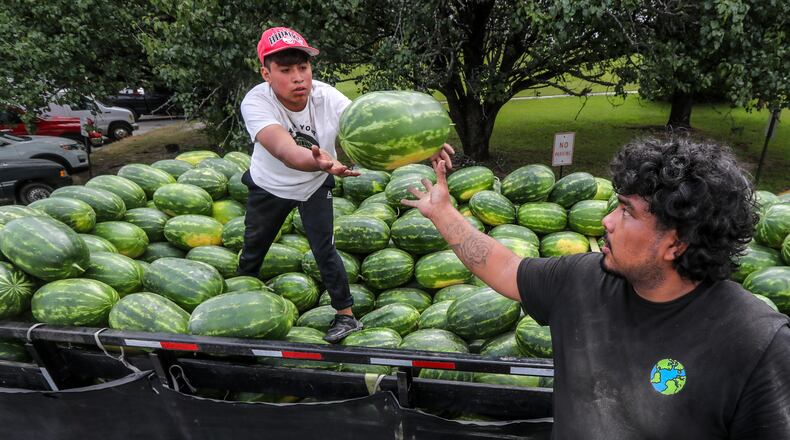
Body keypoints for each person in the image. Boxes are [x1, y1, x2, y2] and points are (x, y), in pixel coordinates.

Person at [402, 136, 790, 438]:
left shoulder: (754, 342)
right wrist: (443, 213)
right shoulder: (582, 279)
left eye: (626, 211)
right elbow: (504, 266)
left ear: (676, 243)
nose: (606, 221)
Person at [238, 27, 453, 343]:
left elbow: (375, 127)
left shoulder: (326, 97)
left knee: (324, 247)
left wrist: (426, 145)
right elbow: (285, 150)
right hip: (271, 184)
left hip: (314, 184)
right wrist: (320, 162)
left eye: (303, 67)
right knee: (254, 248)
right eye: (286, 70)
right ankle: (242, 301)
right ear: (266, 73)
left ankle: (345, 316)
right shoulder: (256, 102)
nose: (298, 77)